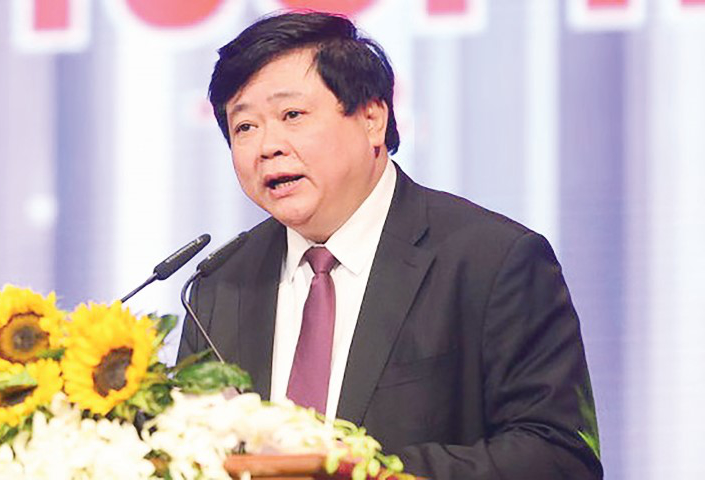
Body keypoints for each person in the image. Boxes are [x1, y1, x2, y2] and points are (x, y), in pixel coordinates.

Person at [177, 11, 602, 479]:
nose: (267, 146)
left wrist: (370, 472)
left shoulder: (492, 261)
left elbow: (559, 456)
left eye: (292, 115)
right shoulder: (219, 285)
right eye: (245, 127)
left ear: (372, 119)